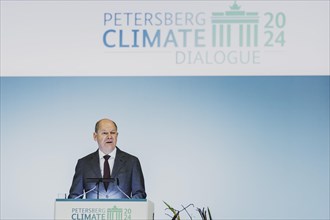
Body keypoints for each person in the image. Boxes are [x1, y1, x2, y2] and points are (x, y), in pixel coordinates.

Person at [68, 118, 146, 199]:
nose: (109, 136)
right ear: (95, 136)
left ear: (117, 135)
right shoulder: (84, 163)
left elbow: (139, 194)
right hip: (93, 211)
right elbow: (75, 196)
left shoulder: (132, 162)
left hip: (121, 211)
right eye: (104, 133)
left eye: (113, 133)